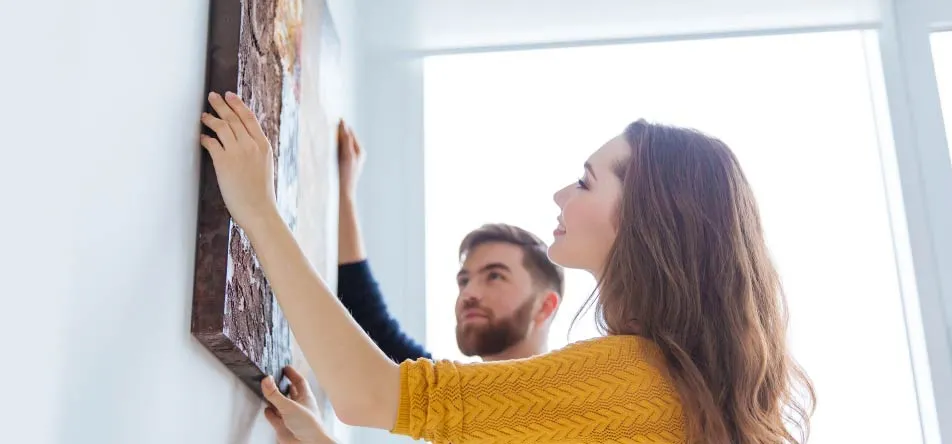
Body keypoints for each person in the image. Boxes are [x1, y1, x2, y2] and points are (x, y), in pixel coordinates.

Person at [199, 91, 816, 443]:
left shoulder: (635, 378)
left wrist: (257, 208)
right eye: (465, 277)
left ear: (646, 218)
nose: (560, 196)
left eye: (584, 181)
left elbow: (366, 395)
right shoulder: (659, 386)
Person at [335, 122, 564, 364]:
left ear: (544, 307)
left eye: (495, 276)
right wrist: (345, 193)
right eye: (463, 281)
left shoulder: (575, 398)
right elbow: (370, 324)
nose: (468, 293)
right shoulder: (448, 394)